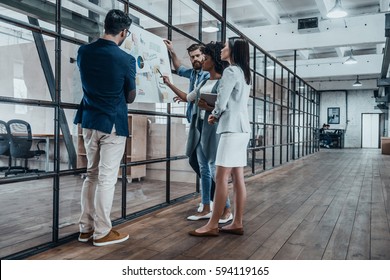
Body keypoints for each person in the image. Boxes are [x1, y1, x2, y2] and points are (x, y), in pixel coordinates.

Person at [73, 9, 136, 246]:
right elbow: (130, 96)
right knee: (107, 179)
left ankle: (85, 229)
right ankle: (102, 232)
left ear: (105, 26)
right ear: (123, 32)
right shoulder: (126, 59)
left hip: (89, 120)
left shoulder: (83, 51)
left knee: (91, 175)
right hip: (112, 123)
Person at [162, 42, 232, 223]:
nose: (200, 60)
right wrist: (169, 84)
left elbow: (226, 108)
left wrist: (209, 107)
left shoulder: (224, 80)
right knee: (203, 167)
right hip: (198, 126)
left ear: (211, 59)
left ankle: (226, 208)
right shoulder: (202, 80)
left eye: (204, 57)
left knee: (213, 169)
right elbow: (188, 97)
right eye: (194, 57)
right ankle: (206, 206)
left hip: (213, 129)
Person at [189, 37, 251, 237]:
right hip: (242, 129)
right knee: (238, 177)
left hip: (230, 129)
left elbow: (222, 101)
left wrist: (213, 115)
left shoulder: (231, 71)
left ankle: (212, 224)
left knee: (221, 176)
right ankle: (237, 223)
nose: (223, 49)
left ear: (232, 50)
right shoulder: (244, 73)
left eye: (225, 46)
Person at [164, 40, 214, 213]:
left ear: (205, 56)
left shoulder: (207, 75)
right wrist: (172, 51)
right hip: (195, 122)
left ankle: (211, 202)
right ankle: (212, 200)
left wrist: (170, 85)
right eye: (192, 57)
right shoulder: (194, 73)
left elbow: (189, 97)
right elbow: (179, 68)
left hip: (206, 124)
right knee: (199, 163)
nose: (195, 60)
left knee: (204, 165)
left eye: (198, 56)